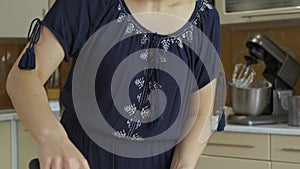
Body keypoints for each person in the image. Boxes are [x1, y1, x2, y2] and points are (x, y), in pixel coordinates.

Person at [6, 0, 225, 168]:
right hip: (83, 158)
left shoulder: (206, 18)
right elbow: (24, 77)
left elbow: (202, 111)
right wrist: (52, 137)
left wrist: (183, 165)